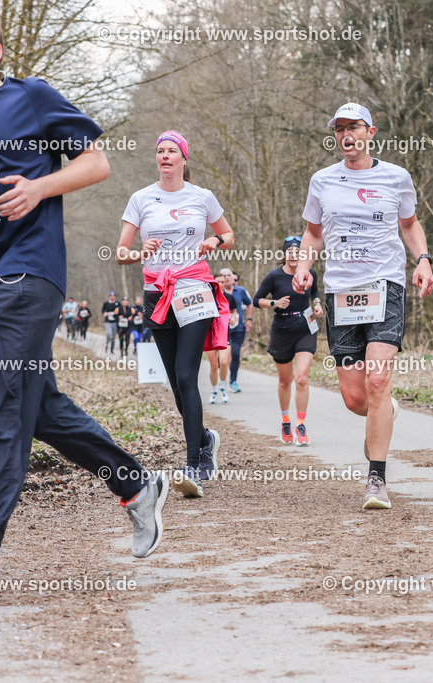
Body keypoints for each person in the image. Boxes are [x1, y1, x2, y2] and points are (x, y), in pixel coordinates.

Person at [0, 4, 167, 604]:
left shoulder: (33, 98)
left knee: (0, 403)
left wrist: (40, 186)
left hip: (29, 274)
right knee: (38, 405)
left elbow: (96, 162)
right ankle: (135, 485)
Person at [293, 102, 433, 509]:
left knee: (376, 380)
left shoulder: (396, 177)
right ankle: (382, 411)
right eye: (339, 128)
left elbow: (409, 224)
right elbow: (313, 233)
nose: (345, 134)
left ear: (371, 132)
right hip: (341, 292)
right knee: (357, 398)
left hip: (385, 285)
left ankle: (376, 480)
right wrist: (304, 264)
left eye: (354, 127)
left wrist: (423, 260)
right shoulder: (322, 181)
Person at [117, 129, 234, 493]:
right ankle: (205, 439)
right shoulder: (141, 198)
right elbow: (121, 251)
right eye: (160, 151)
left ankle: (194, 464)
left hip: (195, 290)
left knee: (187, 377)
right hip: (157, 293)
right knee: (175, 384)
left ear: (184, 158)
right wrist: (139, 252)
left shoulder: (202, 196)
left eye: (171, 151)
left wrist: (214, 240)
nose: (164, 156)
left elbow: (228, 235)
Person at [254, 237, 323, 445]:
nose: (294, 255)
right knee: (285, 381)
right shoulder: (274, 276)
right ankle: (285, 421)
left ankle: (301, 426)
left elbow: (315, 292)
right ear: (284, 254)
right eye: (290, 251)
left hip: (305, 328)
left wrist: (318, 304)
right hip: (282, 330)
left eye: (298, 252)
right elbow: (257, 300)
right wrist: (274, 302)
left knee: (301, 377)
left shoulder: (310, 273)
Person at [205, 270, 236, 404]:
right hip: (210, 333)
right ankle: (214, 391)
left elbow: (234, 312)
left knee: (223, 362)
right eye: (217, 281)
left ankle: (223, 387)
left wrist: (233, 319)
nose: (220, 284)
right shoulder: (207, 297)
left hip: (224, 333)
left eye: (222, 282)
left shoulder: (229, 298)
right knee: (213, 365)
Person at [222, 268, 252, 392]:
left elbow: (249, 303)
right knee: (224, 358)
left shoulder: (240, 291)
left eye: (229, 275)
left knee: (235, 353)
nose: (227, 277)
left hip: (239, 327)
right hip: (223, 328)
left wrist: (249, 319)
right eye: (224, 276)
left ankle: (233, 380)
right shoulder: (218, 292)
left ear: (233, 277)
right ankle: (223, 378)